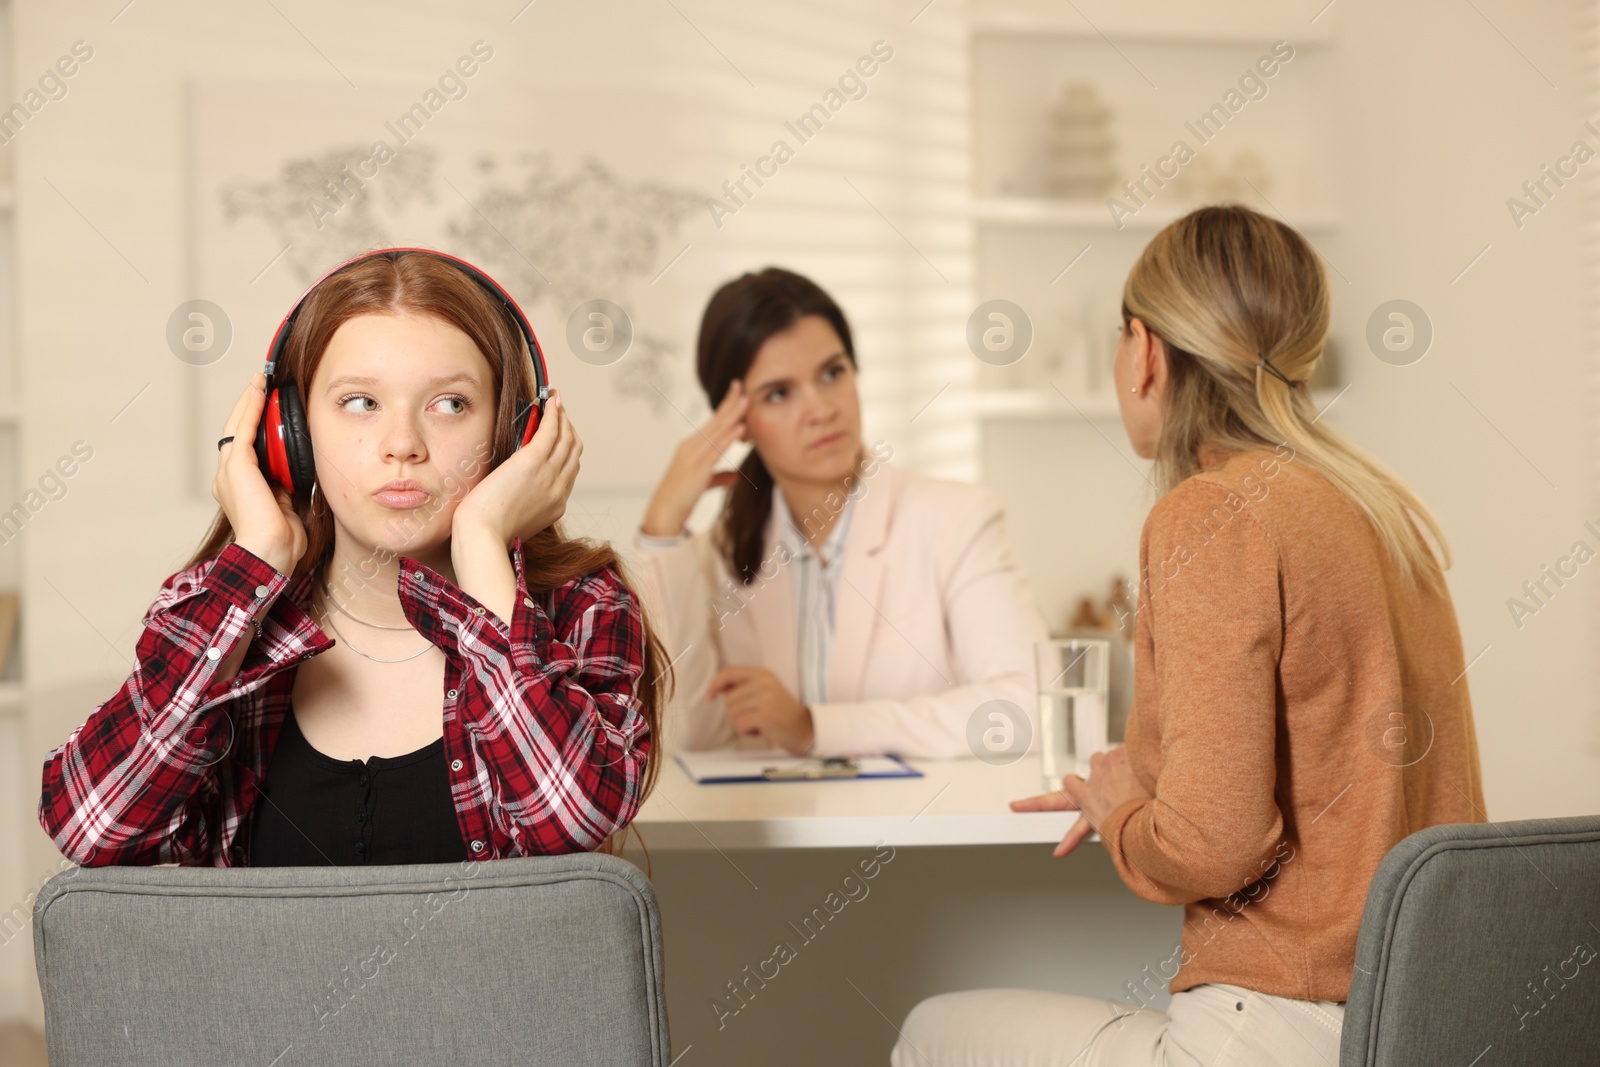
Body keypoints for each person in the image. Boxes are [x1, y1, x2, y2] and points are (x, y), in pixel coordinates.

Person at [892, 205, 1487, 1065]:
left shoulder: (1211, 514)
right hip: (1421, 1023)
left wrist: (1122, 814)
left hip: (1275, 1030)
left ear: (1144, 352)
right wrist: (1142, 772)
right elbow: (1331, 739)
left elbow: (1217, 845)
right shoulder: (1379, 509)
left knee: (927, 1034)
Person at [38, 249, 668, 867]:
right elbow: (89, 826)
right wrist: (256, 560)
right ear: (291, 436)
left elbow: (576, 815)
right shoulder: (225, 612)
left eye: (451, 404)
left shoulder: (583, 604)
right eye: (360, 403)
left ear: (513, 437)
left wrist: (480, 542)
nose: (402, 446)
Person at [632, 266, 1047, 758]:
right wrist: (663, 528)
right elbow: (694, 738)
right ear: (737, 420)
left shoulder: (955, 520)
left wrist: (815, 728)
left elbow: (1027, 708)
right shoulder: (718, 556)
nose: (821, 409)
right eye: (780, 393)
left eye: (832, 373)